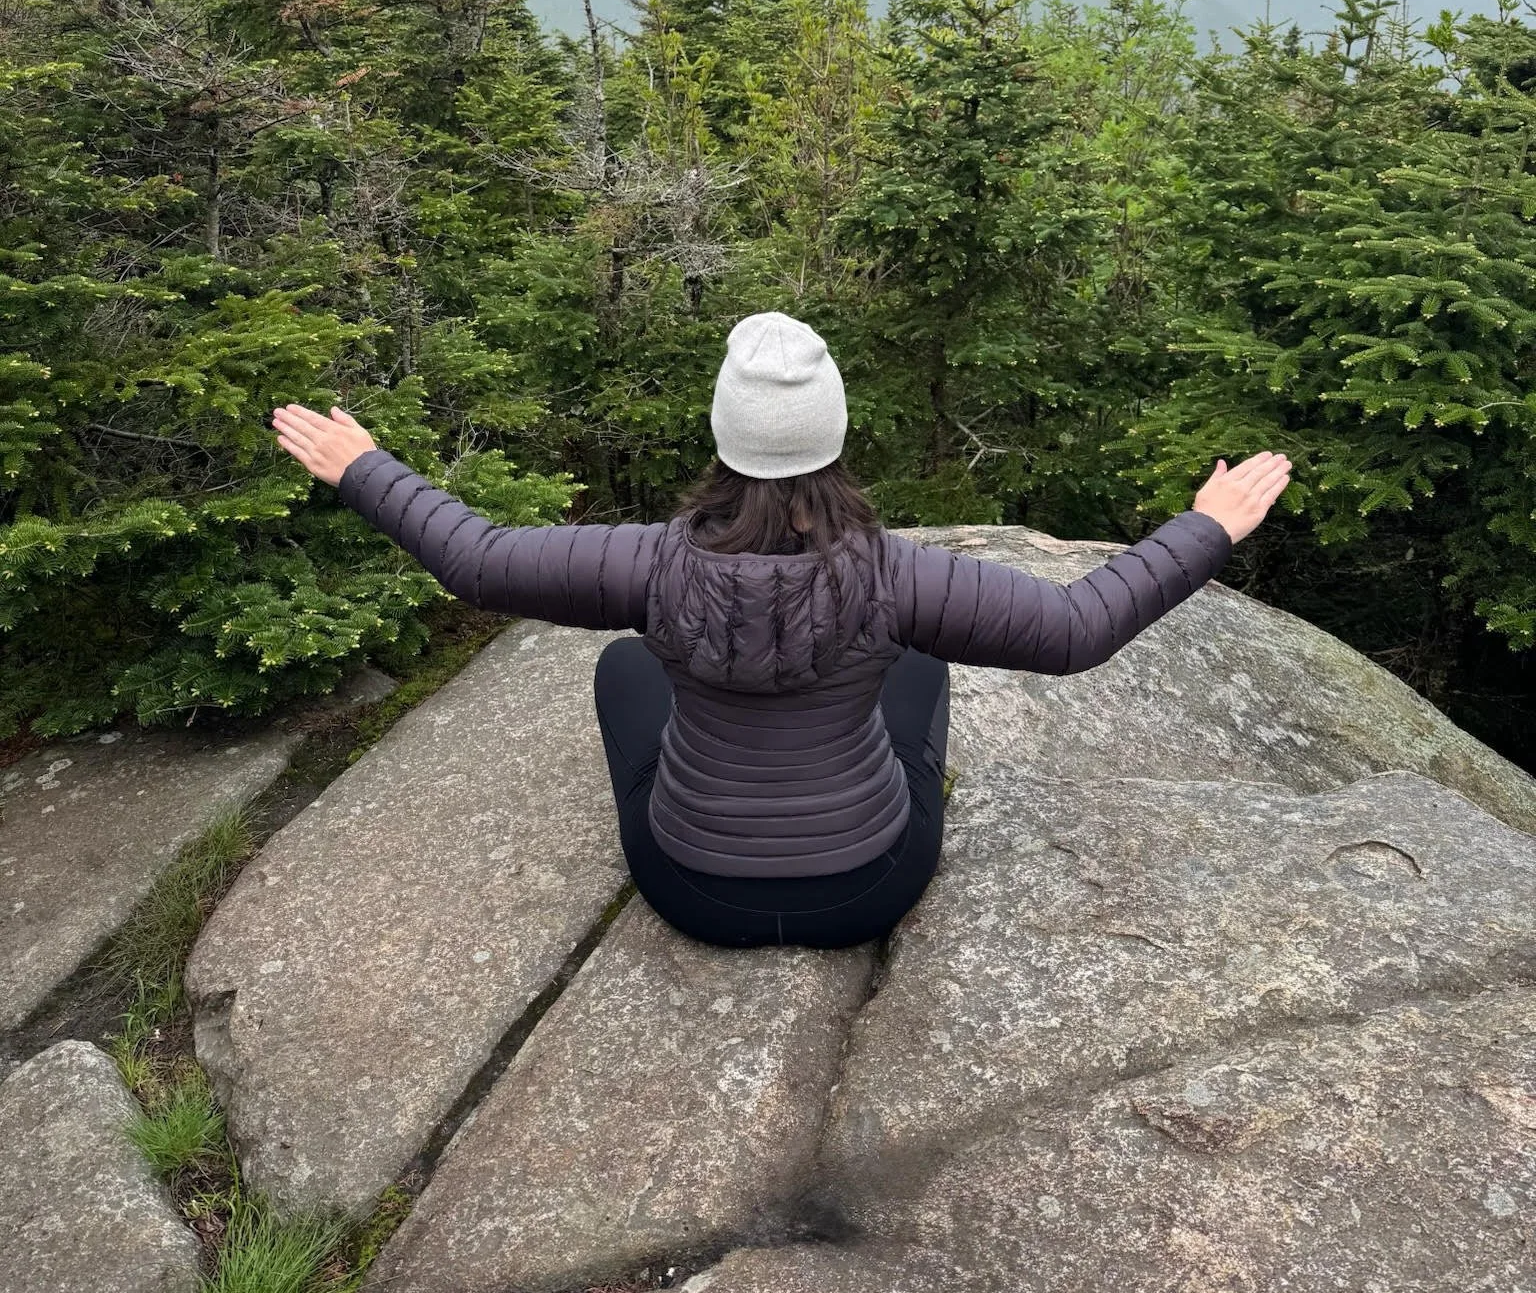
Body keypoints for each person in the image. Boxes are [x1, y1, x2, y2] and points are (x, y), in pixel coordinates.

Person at [272, 311, 1290, 952]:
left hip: (691, 888)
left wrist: (366, 467)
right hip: (870, 887)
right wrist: (1206, 527)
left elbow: (479, 560)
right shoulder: (893, 576)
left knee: (628, 666)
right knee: (920, 663)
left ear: (725, 435)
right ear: (833, 436)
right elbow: (1076, 627)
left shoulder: (647, 563)